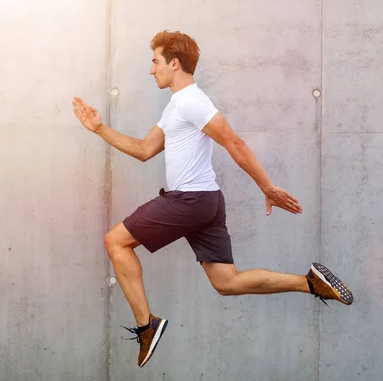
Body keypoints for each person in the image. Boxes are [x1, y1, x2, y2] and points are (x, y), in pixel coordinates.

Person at [72, 30, 353, 368]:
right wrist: (100, 129)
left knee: (115, 241)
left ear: (174, 63)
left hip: (189, 201)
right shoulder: (177, 105)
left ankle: (148, 325)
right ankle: (310, 283)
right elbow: (145, 150)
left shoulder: (192, 101)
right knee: (227, 282)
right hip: (204, 202)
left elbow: (233, 142)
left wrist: (267, 187)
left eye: (155, 62)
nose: (151, 70)